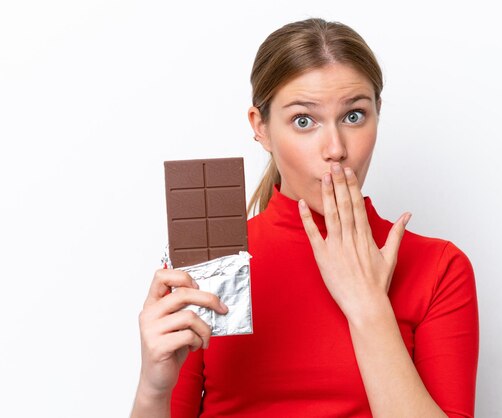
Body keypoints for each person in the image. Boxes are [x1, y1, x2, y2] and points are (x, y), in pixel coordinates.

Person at [131, 18, 479, 418]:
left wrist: (367, 306)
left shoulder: (438, 268)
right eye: (303, 120)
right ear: (260, 127)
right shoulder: (207, 265)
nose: (335, 149)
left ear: (378, 114)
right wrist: (152, 390)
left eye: (354, 116)